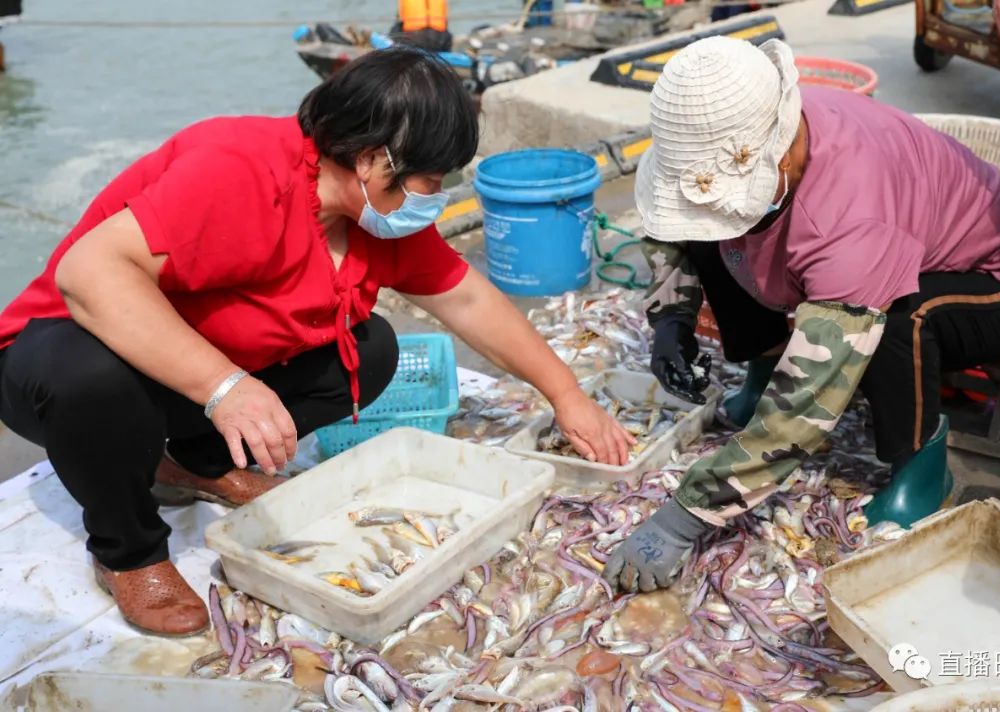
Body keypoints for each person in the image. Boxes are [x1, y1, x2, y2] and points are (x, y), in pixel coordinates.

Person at [0, 47, 633, 635]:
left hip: (177, 370)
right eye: (431, 179)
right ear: (371, 160)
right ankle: (127, 550)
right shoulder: (239, 168)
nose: (436, 198)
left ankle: (197, 461)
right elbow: (87, 274)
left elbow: (467, 298)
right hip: (58, 355)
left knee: (372, 350)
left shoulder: (374, 218)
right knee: (94, 381)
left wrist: (566, 394)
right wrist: (225, 388)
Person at [602, 37, 1000, 593]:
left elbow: (811, 395)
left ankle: (921, 466)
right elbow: (673, 230)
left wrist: (684, 518)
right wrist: (669, 320)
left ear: (786, 152)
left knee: (897, 319)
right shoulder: (740, 119)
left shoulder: (852, 218)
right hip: (874, 240)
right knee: (719, 231)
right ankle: (761, 372)